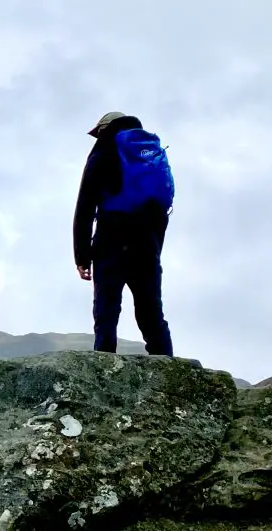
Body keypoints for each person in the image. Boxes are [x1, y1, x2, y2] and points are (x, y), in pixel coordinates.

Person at [73, 111, 175, 357]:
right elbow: (160, 209)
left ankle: (105, 370)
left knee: (107, 310)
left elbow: (85, 205)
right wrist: (153, 249)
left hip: (112, 240)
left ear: (104, 129)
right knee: (151, 311)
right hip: (148, 246)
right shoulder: (150, 153)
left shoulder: (104, 150)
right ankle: (169, 369)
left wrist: (82, 256)